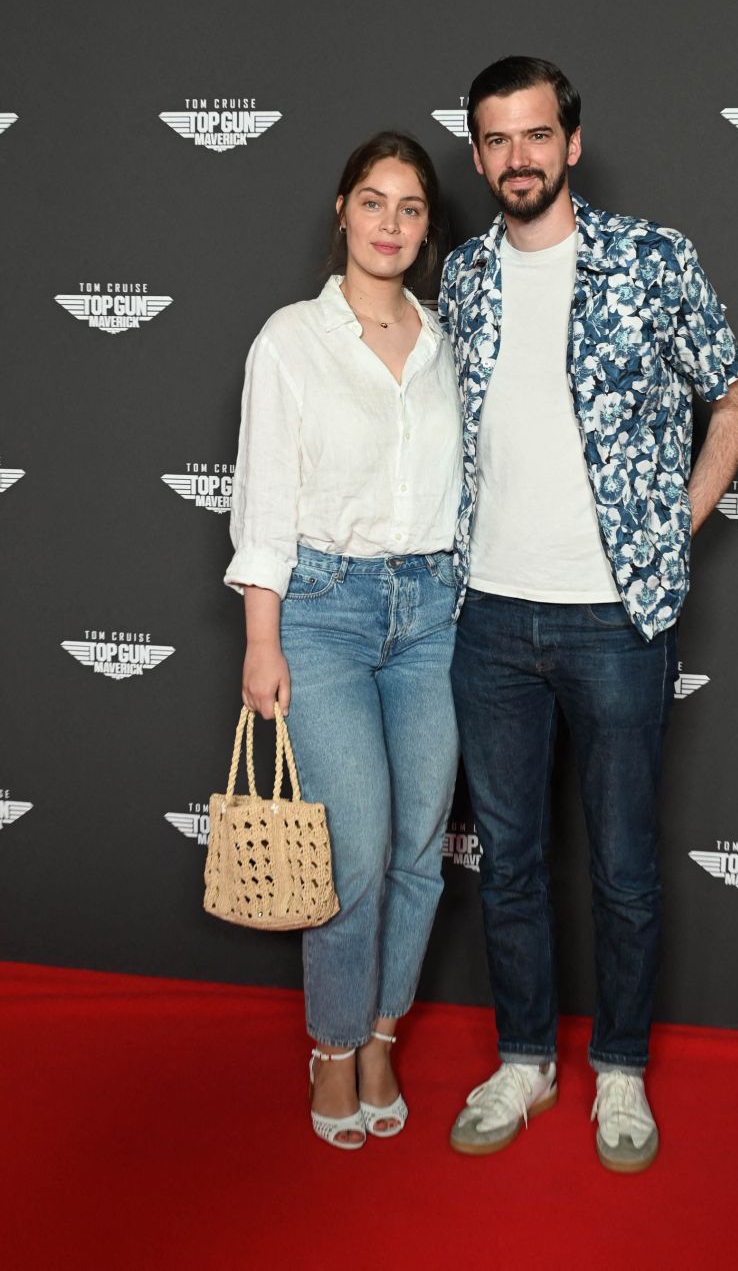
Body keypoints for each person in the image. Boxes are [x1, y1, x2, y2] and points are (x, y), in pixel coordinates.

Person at [440, 58, 738, 1172]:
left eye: (535, 135)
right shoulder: (464, 277)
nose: (516, 156)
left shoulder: (649, 257)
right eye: (495, 139)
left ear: (570, 143)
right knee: (511, 861)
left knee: (622, 865)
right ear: (476, 154)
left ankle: (617, 1072)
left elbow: (733, 395)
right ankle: (523, 1057)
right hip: (485, 619)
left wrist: (676, 522)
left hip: (614, 617)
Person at [224, 132, 462, 1151]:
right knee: (354, 848)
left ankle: (378, 1032)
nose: (390, 225)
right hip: (320, 612)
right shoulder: (290, 339)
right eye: (373, 202)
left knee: (419, 848)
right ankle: (329, 1046)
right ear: (340, 210)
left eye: (409, 208)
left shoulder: (450, 340)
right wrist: (260, 639)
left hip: (435, 614)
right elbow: (265, 501)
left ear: (424, 226)